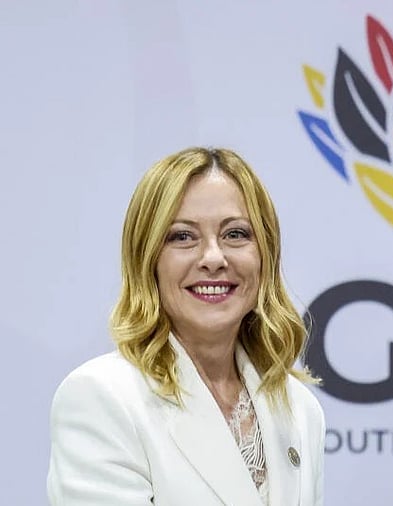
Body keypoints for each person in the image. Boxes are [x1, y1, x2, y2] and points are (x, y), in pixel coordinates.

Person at [47, 147, 325, 505]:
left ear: (266, 255)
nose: (213, 258)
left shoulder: (299, 408)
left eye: (236, 234)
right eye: (182, 237)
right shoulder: (101, 397)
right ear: (148, 259)